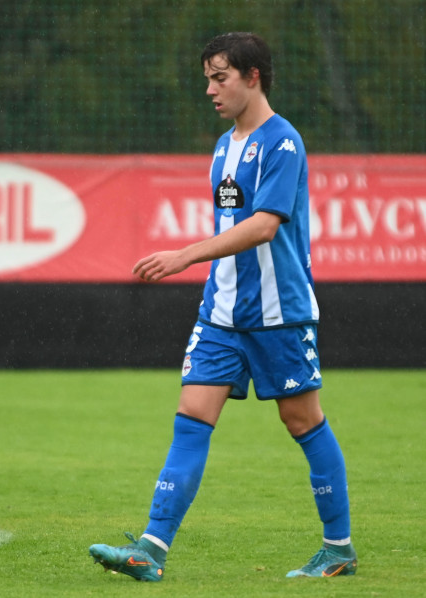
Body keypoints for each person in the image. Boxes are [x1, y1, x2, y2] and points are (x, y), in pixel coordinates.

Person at [89, 32, 357, 581]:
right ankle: (150, 550)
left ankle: (339, 549)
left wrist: (184, 256)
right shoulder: (223, 145)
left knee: (301, 419)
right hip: (222, 313)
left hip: (279, 313)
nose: (210, 89)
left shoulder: (283, 142)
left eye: (220, 77)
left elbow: (263, 225)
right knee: (191, 417)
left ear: (252, 76)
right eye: (208, 78)